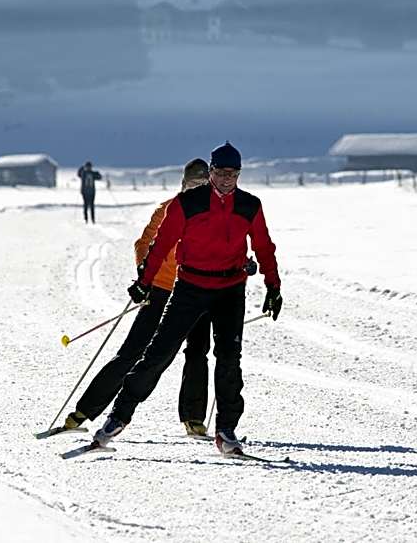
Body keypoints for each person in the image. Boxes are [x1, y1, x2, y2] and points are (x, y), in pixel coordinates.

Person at [93, 142, 283, 456]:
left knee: (229, 360)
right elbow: (161, 244)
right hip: (190, 287)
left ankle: (226, 430)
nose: (226, 179)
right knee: (158, 353)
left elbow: (264, 247)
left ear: (239, 174)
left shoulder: (250, 205)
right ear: (211, 172)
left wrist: (273, 286)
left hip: (230, 290)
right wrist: (144, 282)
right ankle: (118, 417)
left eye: (232, 174)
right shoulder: (187, 203)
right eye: (220, 173)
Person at [62, 159, 215, 437]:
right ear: (183, 185)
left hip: (198, 291)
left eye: (203, 185)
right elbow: (143, 244)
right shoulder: (169, 209)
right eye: (193, 184)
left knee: (197, 354)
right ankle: (84, 411)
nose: (198, 189)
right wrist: (145, 274)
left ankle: (193, 418)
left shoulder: (215, 213)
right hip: (161, 289)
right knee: (134, 351)